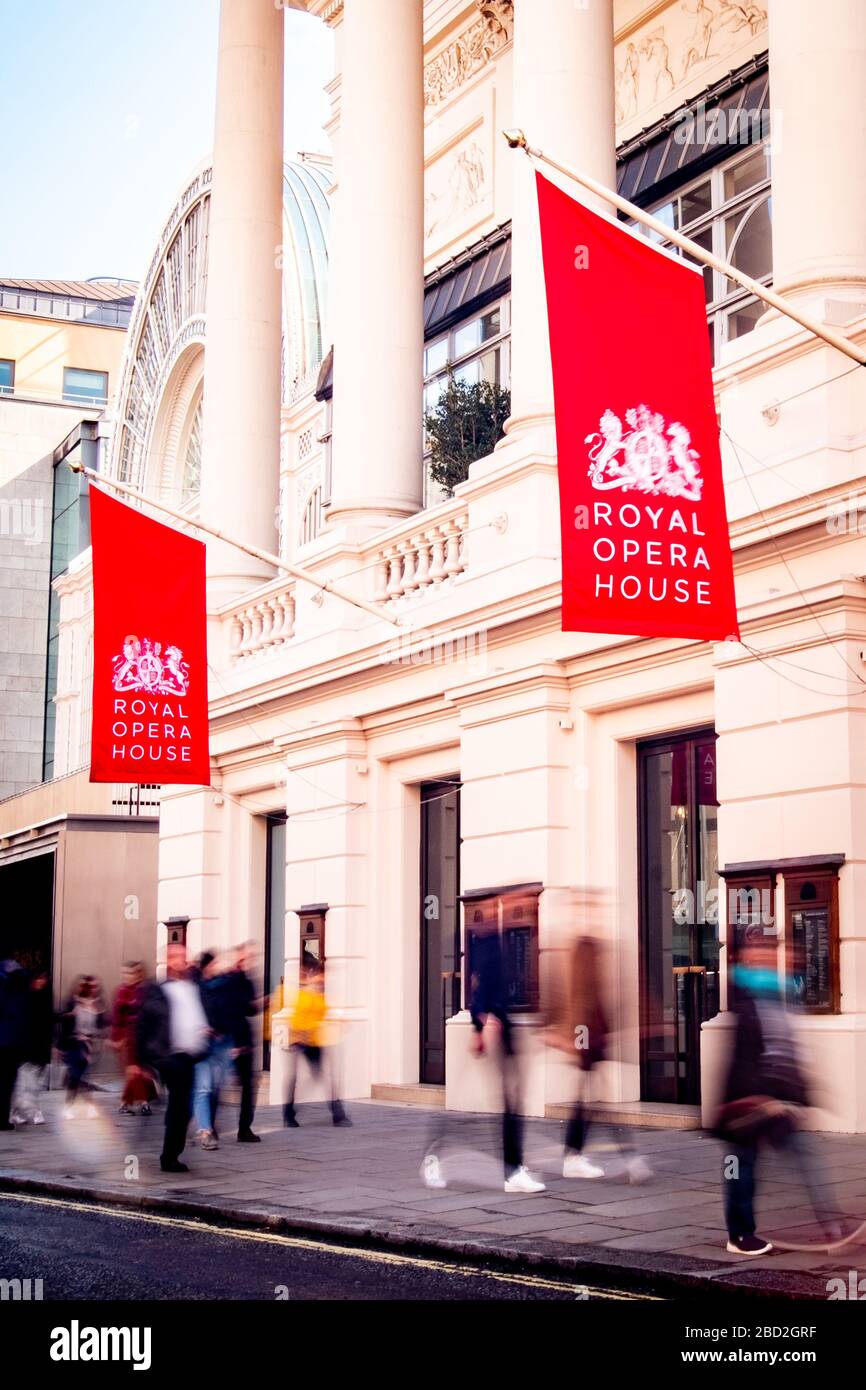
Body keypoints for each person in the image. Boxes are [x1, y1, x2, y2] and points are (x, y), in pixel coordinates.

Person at [714, 932, 837, 1257]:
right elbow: (742, 1056)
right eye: (762, 950)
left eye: (773, 951)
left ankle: (832, 1227)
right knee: (742, 1166)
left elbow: (787, 1048)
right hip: (750, 1101)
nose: (770, 956)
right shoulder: (744, 997)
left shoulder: (776, 995)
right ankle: (739, 1235)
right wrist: (752, 1097)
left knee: (804, 1158)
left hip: (778, 1099)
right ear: (749, 956)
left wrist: (800, 1094)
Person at [421, 915, 545, 1195]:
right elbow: (478, 991)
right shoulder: (488, 944)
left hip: (501, 1030)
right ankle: (438, 1158)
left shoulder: (500, 942)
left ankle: (513, 1170)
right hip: (494, 1031)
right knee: (492, 1107)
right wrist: (481, 1025)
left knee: (510, 1102)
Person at [544, 929, 652, 1185]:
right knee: (595, 1104)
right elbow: (577, 1013)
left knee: (592, 1104)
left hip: (593, 1043)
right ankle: (626, 1160)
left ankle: (577, 1157)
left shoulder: (589, 984)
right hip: (588, 1045)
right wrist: (578, 1044)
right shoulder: (583, 986)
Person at [137, 942, 210, 1173]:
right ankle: (169, 1157)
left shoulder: (193, 987)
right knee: (180, 1105)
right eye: (176, 956)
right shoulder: (159, 990)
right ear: (168, 961)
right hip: (170, 1057)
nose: (182, 960)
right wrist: (142, 1061)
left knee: (184, 1107)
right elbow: (143, 1025)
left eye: (183, 956)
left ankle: (171, 1153)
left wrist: (206, 1029)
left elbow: (201, 1012)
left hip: (192, 1055)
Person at [283, 959, 350, 1128]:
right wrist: (298, 1036)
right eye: (321, 975)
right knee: (296, 1078)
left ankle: (337, 1114)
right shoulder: (303, 995)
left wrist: (340, 1020)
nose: (323, 979)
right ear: (313, 976)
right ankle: (289, 1113)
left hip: (315, 1040)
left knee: (323, 1075)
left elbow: (324, 1011)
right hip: (301, 1041)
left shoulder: (318, 995)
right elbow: (296, 1019)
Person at [192, 951, 234, 1150]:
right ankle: (205, 1130)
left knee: (215, 1088)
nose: (216, 966)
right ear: (206, 966)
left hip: (222, 1042)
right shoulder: (196, 988)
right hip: (203, 1045)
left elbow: (228, 1010)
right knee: (203, 1088)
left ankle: (205, 1124)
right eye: (213, 963)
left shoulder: (219, 985)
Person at [221, 943, 263, 1143]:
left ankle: (244, 1128)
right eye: (245, 957)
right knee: (212, 1086)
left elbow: (249, 1010)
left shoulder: (247, 980)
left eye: (251, 957)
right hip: (232, 1041)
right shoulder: (229, 981)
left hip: (244, 1041)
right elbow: (228, 1012)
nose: (249, 961)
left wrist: (260, 1004)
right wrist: (234, 1044)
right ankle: (207, 1127)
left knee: (249, 1085)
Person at [111, 962, 156, 1116]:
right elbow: (117, 1018)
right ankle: (143, 1103)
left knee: (138, 1071)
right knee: (133, 1071)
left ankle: (125, 1103)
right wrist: (117, 1038)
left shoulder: (143, 991)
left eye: (130, 973)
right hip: (126, 1037)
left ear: (138, 974)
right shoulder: (121, 991)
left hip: (142, 1037)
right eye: (125, 973)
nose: (127, 977)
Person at [58, 976, 107, 1118]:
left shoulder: (98, 1005)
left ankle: (86, 1106)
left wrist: (94, 1037)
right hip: (74, 1044)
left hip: (88, 1046)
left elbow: (100, 1026)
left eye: (95, 986)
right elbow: (65, 1025)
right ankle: (70, 1107)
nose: (93, 989)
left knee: (84, 1076)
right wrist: (59, 1047)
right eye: (90, 986)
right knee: (76, 1075)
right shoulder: (74, 1003)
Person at [11, 970, 53, 1126]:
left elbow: (47, 1021)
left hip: (39, 1046)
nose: (41, 982)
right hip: (26, 1047)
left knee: (32, 1083)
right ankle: (33, 1112)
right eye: (39, 978)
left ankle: (17, 1112)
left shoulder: (44, 997)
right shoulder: (24, 997)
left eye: (44, 979)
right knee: (27, 1083)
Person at [0, 956, 29, 1130]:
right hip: (9, 1043)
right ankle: (2, 1119)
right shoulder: (14, 990)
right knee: (6, 1082)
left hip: (8, 1042)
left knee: (5, 1082)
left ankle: (3, 1118)